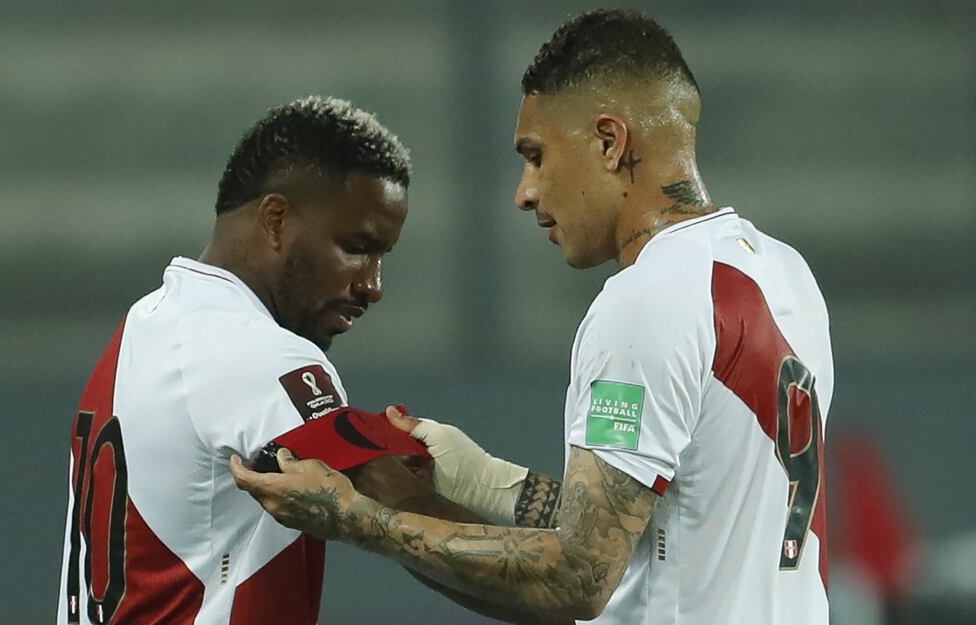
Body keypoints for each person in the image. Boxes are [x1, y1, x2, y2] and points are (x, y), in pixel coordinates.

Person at [230, 9, 833, 625]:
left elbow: (577, 578)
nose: (525, 191)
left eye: (537, 156)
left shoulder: (649, 301)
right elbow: (669, 526)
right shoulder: (783, 273)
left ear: (609, 141)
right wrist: (485, 479)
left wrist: (361, 522)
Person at [56, 96, 421, 624]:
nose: (373, 284)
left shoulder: (144, 325)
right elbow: (412, 517)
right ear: (275, 219)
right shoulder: (259, 351)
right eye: (357, 246)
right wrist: (567, 567)